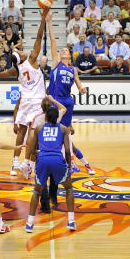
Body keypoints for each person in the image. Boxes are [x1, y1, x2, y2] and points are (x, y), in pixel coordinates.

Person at [0, 9, 47, 176]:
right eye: (20, 52)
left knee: (21, 132)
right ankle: (27, 164)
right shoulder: (31, 60)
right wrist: (43, 19)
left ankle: (15, 162)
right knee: (32, 133)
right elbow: (39, 38)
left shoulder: (15, 70)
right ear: (21, 58)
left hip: (25, 102)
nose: (22, 50)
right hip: (37, 102)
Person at [46, 12, 94, 174]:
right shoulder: (55, 63)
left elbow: (79, 84)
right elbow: (53, 41)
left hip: (68, 102)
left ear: (69, 55)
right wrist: (50, 21)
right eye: (62, 49)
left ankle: (74, 161)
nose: (63, 50)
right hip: (56, 102)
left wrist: (82, 89)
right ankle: (74, 161)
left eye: (66, 49)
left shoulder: (73, 69)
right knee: (58, 133)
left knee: (67, 134)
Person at [24, 106, 76, 233]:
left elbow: (31, 147)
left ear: (46, 117)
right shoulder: (64, 129)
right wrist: (69, 166)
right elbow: (68, 151)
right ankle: (71, 221)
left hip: (42, 160)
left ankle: (29, 224)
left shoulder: (39, 128)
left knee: (37, 191)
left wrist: (29, 164)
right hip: (57, 160)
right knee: (68, 188)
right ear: (57, 117)